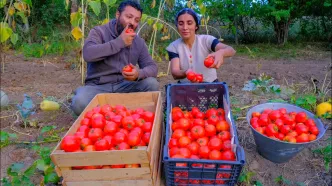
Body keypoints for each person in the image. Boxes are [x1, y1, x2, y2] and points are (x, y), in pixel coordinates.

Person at [71, 1, 159, 115]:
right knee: (79, 102)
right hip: (98, 88)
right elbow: (88, 54)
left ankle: (111, 111)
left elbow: (152, 67)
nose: (132, 22)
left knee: (152, 84)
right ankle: (123, 110)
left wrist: (138, 73)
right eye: (129, 17)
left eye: (137, 20)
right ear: (118, 15)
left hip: (125, 87)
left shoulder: (138, 42)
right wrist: (119, 42)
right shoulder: (99, 32)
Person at [166, 8, 236, 83]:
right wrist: (186, 72)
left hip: (210, 85)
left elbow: (231, 50)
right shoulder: (174, 46)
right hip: (185, 87)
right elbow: (175, 72)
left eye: (189, 23)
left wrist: (221, 52)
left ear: (196, 26)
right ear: (177, 26)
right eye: (181, 23)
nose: (185, 27)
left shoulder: (206, 40)